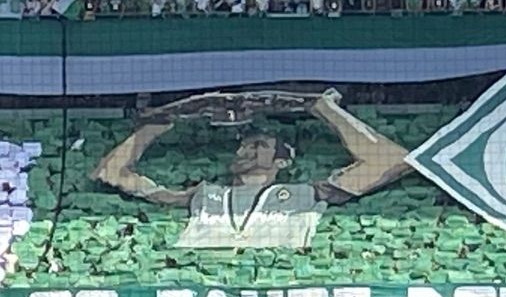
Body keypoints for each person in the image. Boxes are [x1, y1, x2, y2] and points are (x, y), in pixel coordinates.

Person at [93, 87, 407, 251]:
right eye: (243, 145)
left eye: (258, 145)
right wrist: (158, 126)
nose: (244, 150)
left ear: (282, 161)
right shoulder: (205, 194)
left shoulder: (306, 193)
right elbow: (110, 173)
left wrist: (324, 110)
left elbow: (392, 161)